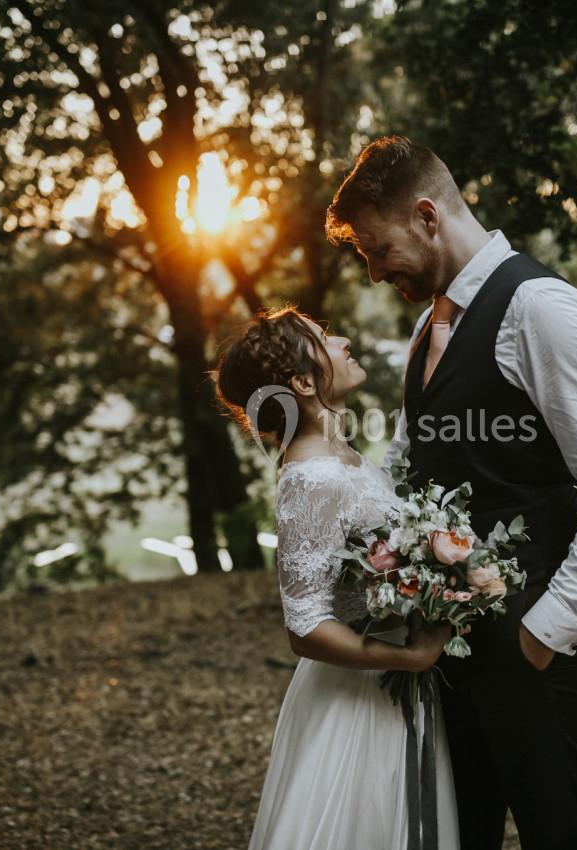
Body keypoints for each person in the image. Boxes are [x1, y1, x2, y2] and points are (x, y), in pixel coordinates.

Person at [324, 135, 577, 850]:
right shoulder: (430, 325)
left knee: (556, 830)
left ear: (425, 216)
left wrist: (546, 632)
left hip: (530, 636)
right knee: (460, 830)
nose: (375, 272)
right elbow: (408, 467)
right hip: (444, 642)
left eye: (378, 249)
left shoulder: (541, 307)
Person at [215, 306, 460, 850]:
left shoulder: (340, 457)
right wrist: (411, 657)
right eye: (324, 339)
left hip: (391, 683)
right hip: (362, 698)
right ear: (303, 384)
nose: (343, 339)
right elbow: (305, 626)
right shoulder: (312, 478)